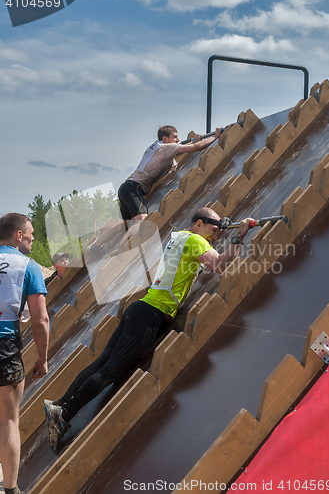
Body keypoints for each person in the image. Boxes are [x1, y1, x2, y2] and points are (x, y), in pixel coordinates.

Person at [44, 207, 252, 452]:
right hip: (150, 315)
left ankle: (59, 405)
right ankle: (64, 415)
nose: (215, 236)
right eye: (213, 230)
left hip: (141, 308)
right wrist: (239, 235)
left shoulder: (179, 238)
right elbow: (219, 265)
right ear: (198, 224)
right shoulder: (195, 240)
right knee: (110, 371)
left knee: (101, 363)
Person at [86, 125, 223, 255]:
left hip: (126, 187)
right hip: (134, 189)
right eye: (174, 137)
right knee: (143, 222)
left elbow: (177, 152)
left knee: (121, 225)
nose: (177, 140)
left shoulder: (156, 147)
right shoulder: (165, 148)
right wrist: (215, 137)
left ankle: (95, 246)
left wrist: (193, 142)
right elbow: (195, 147)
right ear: (165, 139)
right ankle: (119, 251)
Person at [0, 213, 49, 494]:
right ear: (19, 235)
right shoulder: (27, 267)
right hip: (4, 343)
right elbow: (40, 321)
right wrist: (42, 359)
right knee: (8, 420)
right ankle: (10, 489)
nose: (33, 239)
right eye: (31, 234)